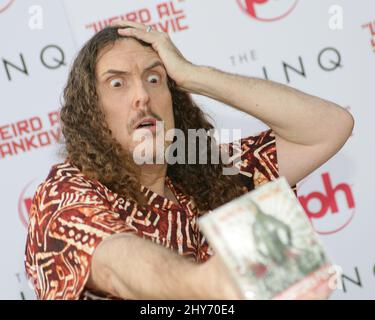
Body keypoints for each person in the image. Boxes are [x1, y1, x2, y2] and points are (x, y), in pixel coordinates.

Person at [24, 21, 354, 300]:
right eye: (117, 83)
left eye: (155, 79)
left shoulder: (209, 173)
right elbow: (114, 263)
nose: (142, 95)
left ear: (174, 100)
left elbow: (329, 128)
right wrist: (208, 284)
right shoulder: (66, 192)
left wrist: (194, 75)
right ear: (92, 113)